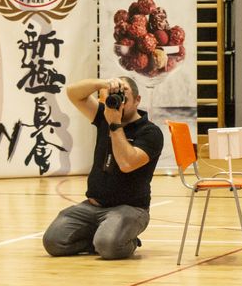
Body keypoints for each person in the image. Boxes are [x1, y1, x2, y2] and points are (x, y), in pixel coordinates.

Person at [42, 76, 163, 260]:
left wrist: (115, 125)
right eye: (114, 96)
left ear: (137, 100)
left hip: (130, 209)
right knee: (53, 242)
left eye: (124, 96)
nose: (119, 102)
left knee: (109, 247)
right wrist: (103, 84)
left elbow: (127, 164)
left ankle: (124, 240)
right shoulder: (104, 116)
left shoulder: (150, 132)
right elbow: (73, 93)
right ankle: (100, 239)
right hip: (92, 206)